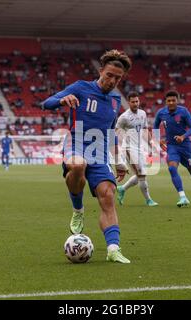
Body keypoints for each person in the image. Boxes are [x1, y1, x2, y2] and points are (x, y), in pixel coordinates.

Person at [41, 49, 131, 264]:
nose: (112, 80)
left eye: (117, 78)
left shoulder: (116, 101)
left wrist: (119, 161)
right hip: (76, 144)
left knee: (108, 196)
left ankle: (113, 249)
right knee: (78, 166)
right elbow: (46, 103)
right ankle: (78, 209)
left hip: (99, 153)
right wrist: (63, 100)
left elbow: (110, 133)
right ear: (101, 71)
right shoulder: (81, 87)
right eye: (109, 75)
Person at [153, 91, 191, 207]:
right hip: (172, 147)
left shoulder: (183, 111)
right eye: (169, 100)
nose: (171, 103)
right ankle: (183, 197)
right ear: (166, 101)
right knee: (172, 168)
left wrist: (183, 136)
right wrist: (158, 139)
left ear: (177, 100)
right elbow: (155, 127)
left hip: (186, 147)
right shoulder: (161, 113)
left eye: (173, 100)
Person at [116, 92, 158, 206]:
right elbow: (116, 131)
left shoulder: (143, 113)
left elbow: (145, 130)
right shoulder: (124, 117)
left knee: (141, 174)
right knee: (142, 174)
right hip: (129, 148)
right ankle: (149, 200)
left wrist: (151, 143)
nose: (135, 104)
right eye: (133, 102)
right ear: (129, 102)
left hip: (140, 148)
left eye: (137, 101)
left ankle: (122, 189)